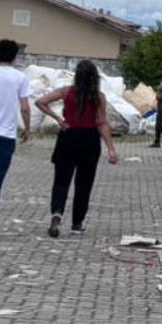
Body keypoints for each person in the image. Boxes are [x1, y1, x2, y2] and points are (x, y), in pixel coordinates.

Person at [35, 59, 117, 237]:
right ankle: (77, 222)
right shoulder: (99, 97)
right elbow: (102, 123)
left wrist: (58, 119)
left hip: (68, 137)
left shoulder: (66, 91)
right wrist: (111, 149)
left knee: (61, 180)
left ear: (77, 76)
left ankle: (57, 213)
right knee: (84, 183)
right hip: (89, 140)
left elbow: (40, 102)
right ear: (95, 78)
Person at [0, 39, 31, 237]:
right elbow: (25, 107)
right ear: (15, 56)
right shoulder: (19, 78)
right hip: (6, 136)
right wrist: (27, 128)